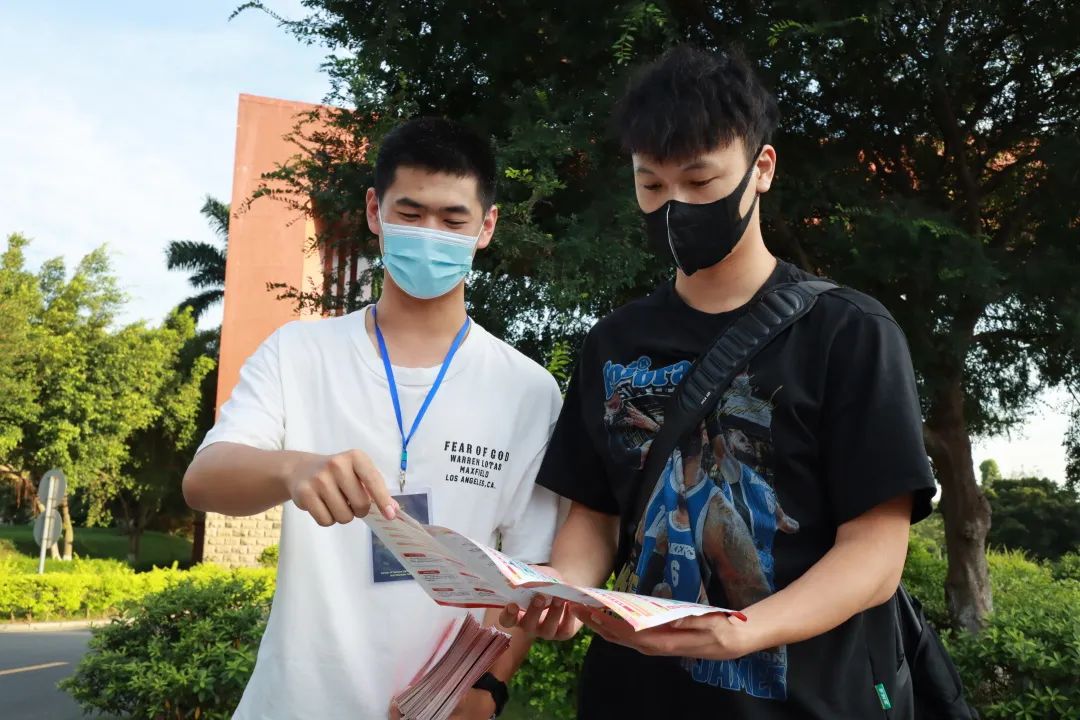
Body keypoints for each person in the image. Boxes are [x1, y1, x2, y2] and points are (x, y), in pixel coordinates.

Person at [502, 45, 936, 719]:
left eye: (700, 182)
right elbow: (595, 514)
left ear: (761, 169)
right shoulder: (615, 341)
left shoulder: (848, 334)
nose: (674, 206)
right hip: (633, 700)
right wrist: (565, 588)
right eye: (651, 186)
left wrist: (743, 631)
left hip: (803, 702)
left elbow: (876, 555)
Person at [183, 117, 561, 720]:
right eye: (409, 213)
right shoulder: (298, 353)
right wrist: (291, 470)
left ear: (486, 226)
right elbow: (204, 481)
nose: (430, 235)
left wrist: (484, 688)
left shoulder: (528, 390)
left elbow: (527, 574)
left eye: (453, 219)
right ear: (374, 211)